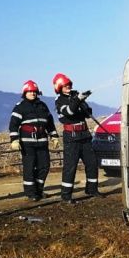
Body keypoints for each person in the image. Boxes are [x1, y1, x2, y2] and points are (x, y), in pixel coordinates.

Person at [53, 72, 99, 203]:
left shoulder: (75, 95)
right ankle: (66, 196)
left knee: (92, 163)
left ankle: (92, 189)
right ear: (59, 87)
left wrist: (83, 100)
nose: (68, 86)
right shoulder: (59, 100)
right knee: (70, 166)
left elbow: (87, 113)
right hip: (71, 138)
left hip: (84, 135)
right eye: (65, 85)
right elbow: (69, 112)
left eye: (69, 84)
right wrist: (78, 99)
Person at [9, 80, 59, 201]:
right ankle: (31, 193)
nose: (32, 93)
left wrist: (54, 136)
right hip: (27, 143)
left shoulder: (43, 106)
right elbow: (13, 124)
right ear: (25, 93)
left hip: (42, 141)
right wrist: (14, 140)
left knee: (44, 166)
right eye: (29, 91)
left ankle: (39, 189)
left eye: (34, 91)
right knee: (29, 168)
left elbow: (50, 123)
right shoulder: (20, 107)